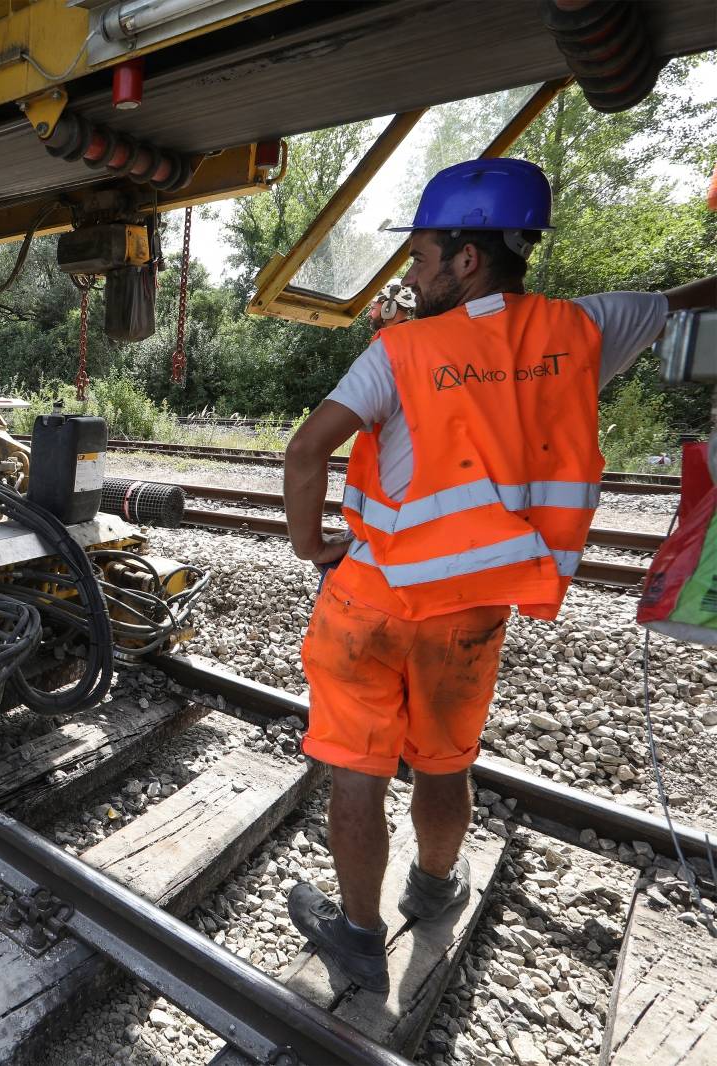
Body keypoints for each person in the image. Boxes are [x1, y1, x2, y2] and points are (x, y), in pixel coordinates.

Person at [281, 157, 717, 992]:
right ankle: (436, 888)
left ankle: (358, 937)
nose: (410, 276)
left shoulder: (401, 352)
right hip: (474, 612)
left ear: (466, 258)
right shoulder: (585, 330)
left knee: (357, 773)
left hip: (368, 602)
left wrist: (310, 546)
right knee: (445, 763)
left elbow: (306, 451)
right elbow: (683, 302)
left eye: (419, 257)